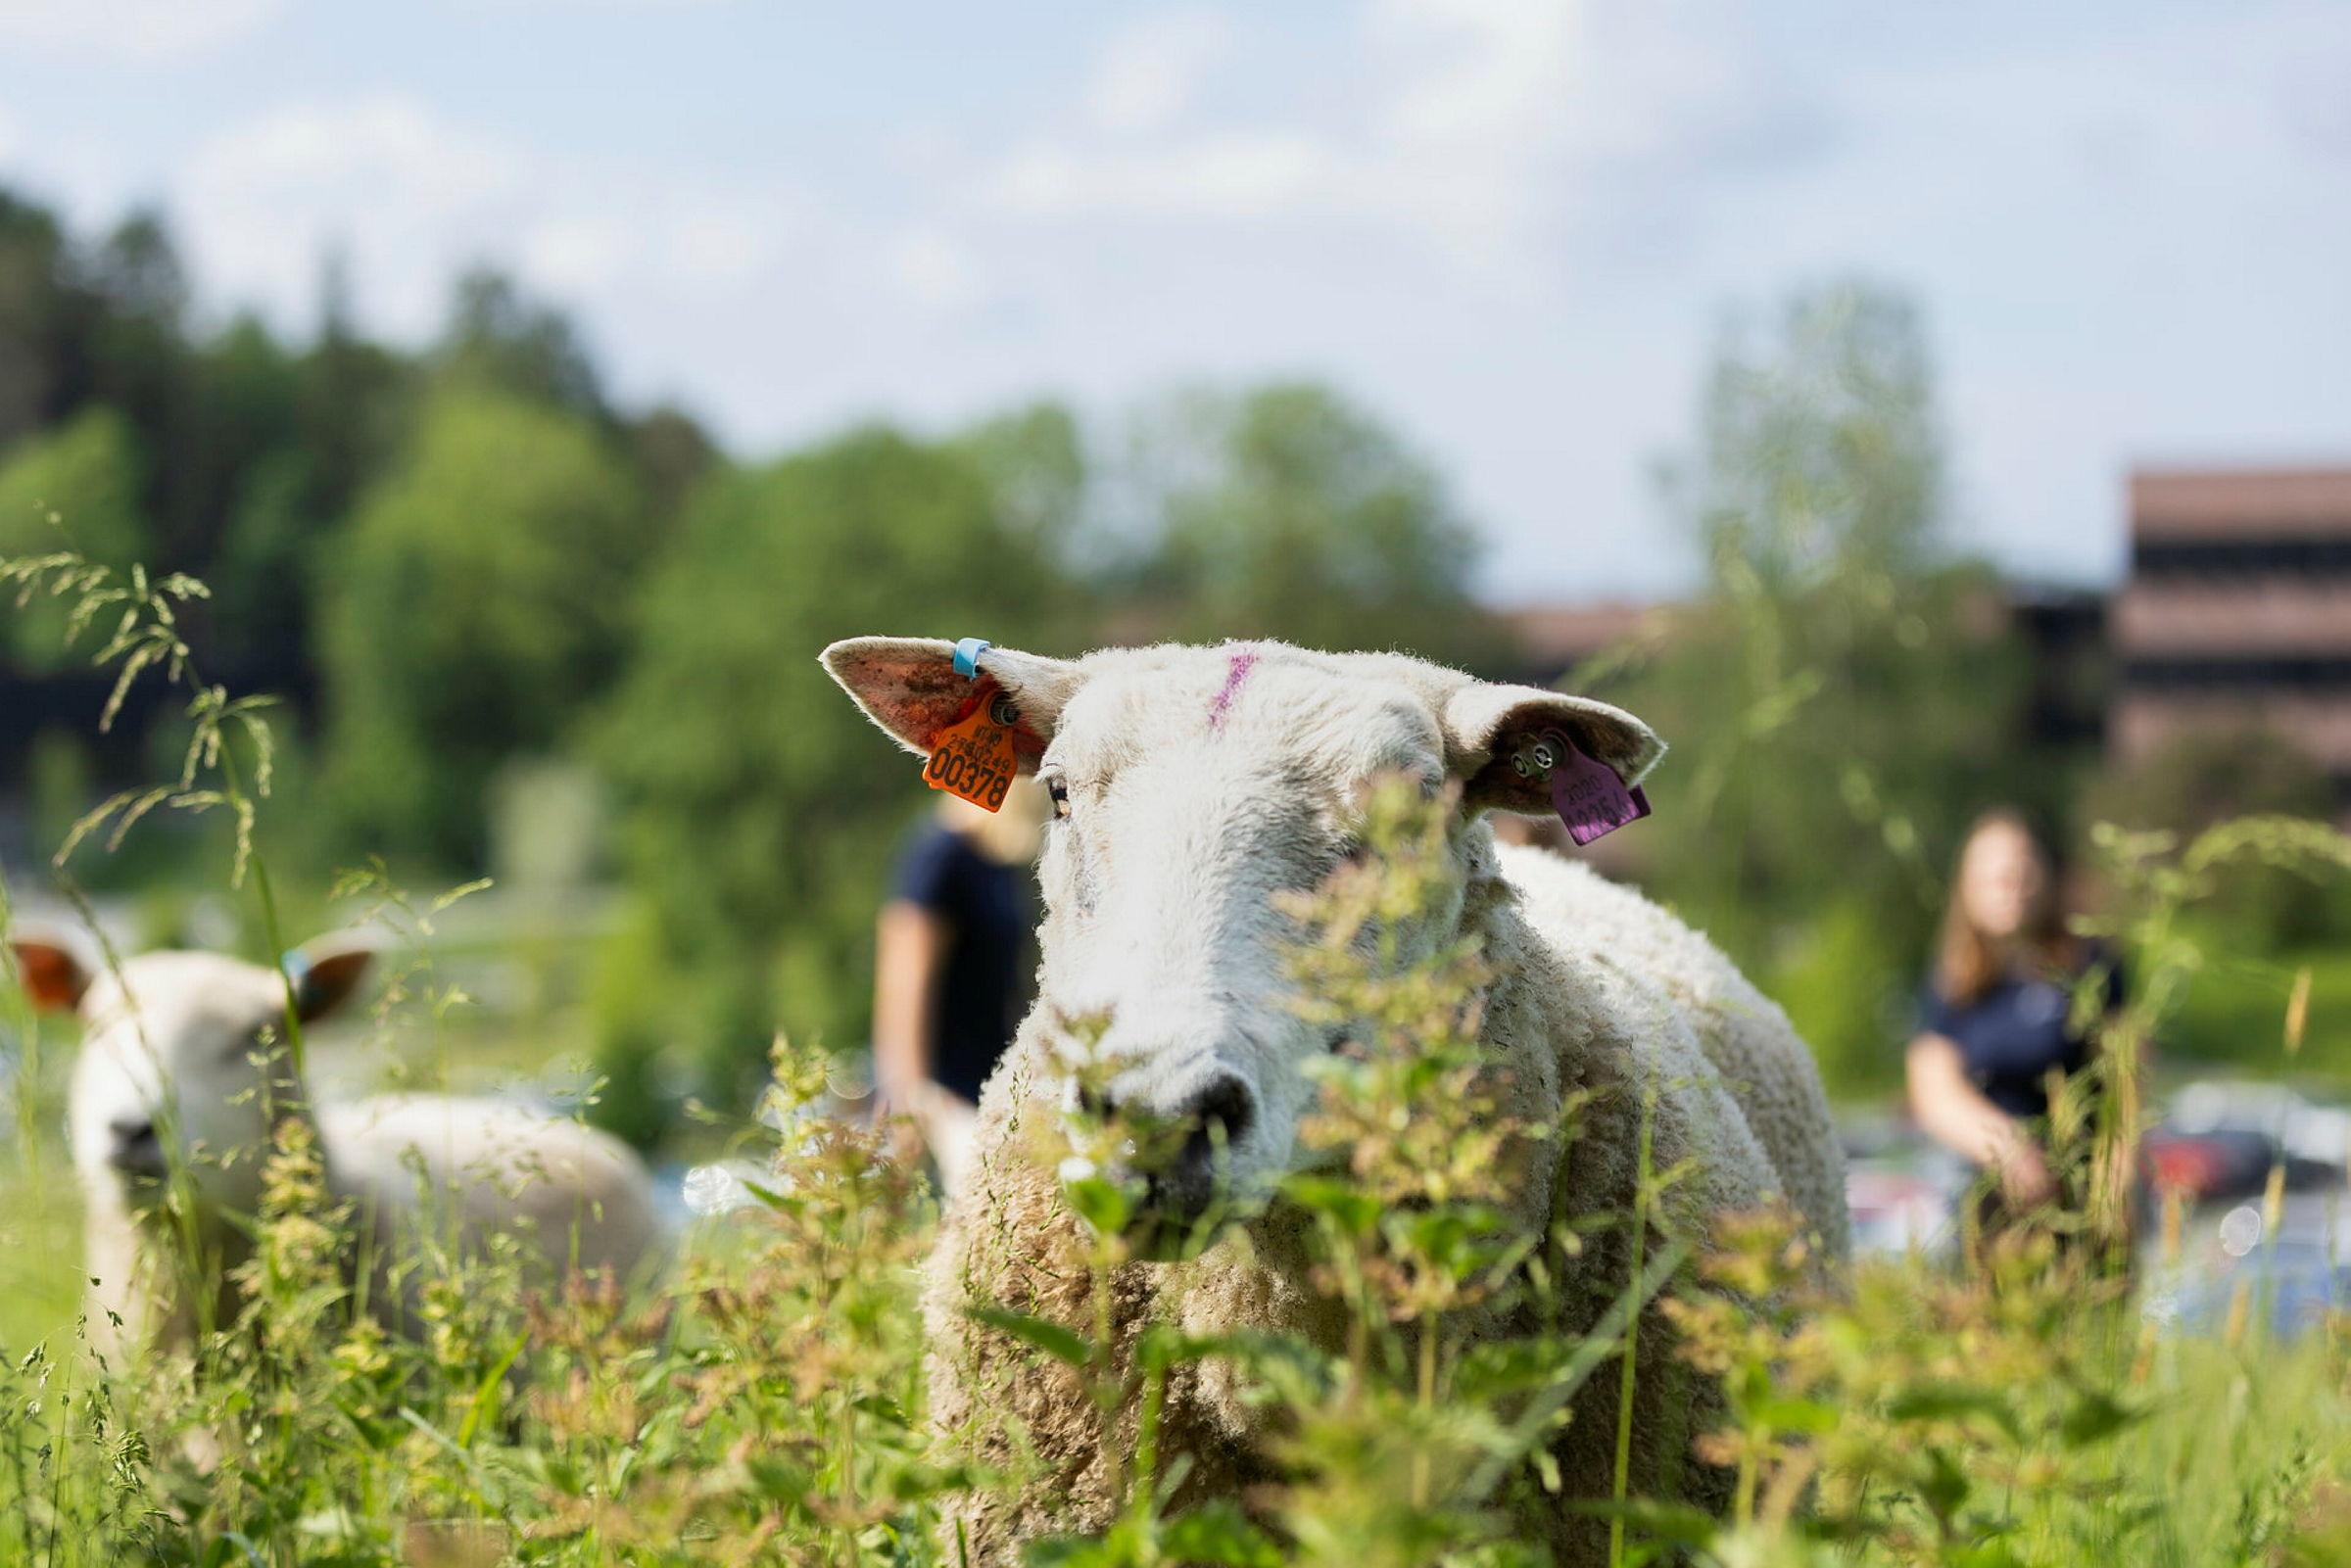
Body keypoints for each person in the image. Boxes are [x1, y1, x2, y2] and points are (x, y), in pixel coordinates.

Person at [1905, 809, 2126, 1231]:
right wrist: (2008, 1147)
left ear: (2045, 877)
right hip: (1992, 1205)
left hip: (2084, 1200)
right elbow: (1933, 1091)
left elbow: (2129, 1084)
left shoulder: (2090, 967)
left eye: (2022, 874)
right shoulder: (1953, 982)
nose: (2012, 889)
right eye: (1996, 879)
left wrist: (2118, 1182)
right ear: (1968, 889)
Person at [870, 779, 1047, 1196]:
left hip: (991, 1081)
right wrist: (909, 1099)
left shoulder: (994, 862)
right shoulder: (940, 858)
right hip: (946, 1089)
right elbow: (904, 985)